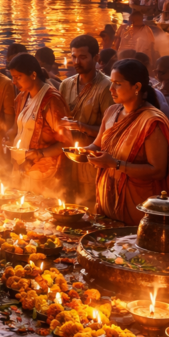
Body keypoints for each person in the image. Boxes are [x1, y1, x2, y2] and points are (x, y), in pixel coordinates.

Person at [85, 58, 169, 224]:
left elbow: (158, 170)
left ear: (137, 87)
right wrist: (81, 151)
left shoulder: (151, 121)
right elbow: (97, 144)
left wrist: (116, 164)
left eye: (118, 84)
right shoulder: (112, 111)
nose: (111, 89)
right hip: (109, 193)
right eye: (111, 82)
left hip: (136, 202)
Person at [6, 53, 72, 197]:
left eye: (18, 77)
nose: (14, 82)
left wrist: (40, 154)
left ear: (33, 75)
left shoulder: (52, 101)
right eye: (12, 77)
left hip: (44, 173)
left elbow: (67, 143)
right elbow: (20, 129)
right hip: (22, 167)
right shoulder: (22, 97)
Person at [59, 35, 113, 209]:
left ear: (96, 58)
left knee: (89, 206)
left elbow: (111, 131)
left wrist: (81, 127)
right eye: (74, 57)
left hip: (91, 160)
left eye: (82, 57)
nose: (77, 61)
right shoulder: (65, 85)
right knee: (65, 204)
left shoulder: (107, 87)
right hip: (68, 157)